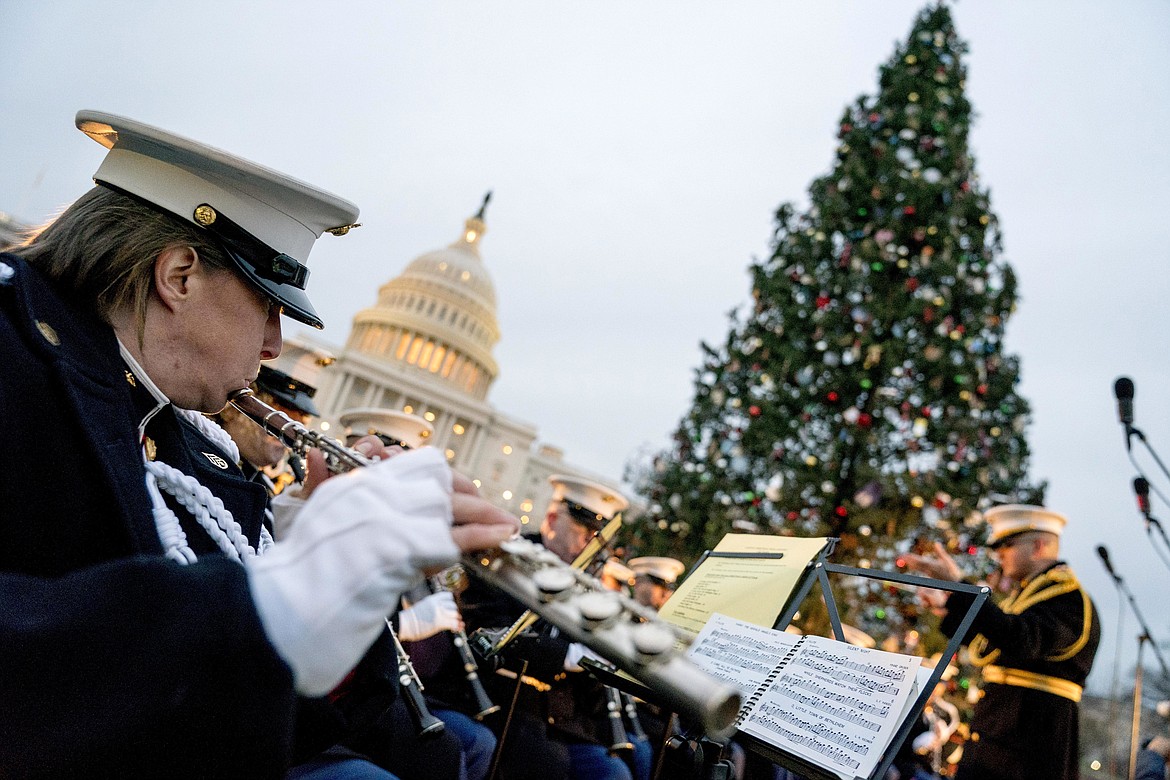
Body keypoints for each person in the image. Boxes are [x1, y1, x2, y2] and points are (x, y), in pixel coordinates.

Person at [0, 110, 517, 778]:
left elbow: (276, 728)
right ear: (179, 275)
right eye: (268, 307)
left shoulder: (178, 439)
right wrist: (281, 596)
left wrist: (334, 568)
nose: (275, 346)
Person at [460, 475, 641, 780]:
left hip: (562, 721)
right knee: (547, 763)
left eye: (598, 539)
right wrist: (569, 656)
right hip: (505, 703)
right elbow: (486, 630)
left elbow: (590, 694)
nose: (590, 546)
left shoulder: (587, 586)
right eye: (584, 531)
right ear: (553, 519)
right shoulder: (505, 557)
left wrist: (605, 663)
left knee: (615, 773)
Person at [903, 504, 1100, 780]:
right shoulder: (1031, 595)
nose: (999, 554)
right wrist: (949, 606)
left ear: (1038, 546)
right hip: (1002, 735)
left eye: (1007, 545)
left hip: (1029, 745)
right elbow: (994, 641)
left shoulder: (1068, 598)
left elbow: (1020, 638)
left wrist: (962, 586)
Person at [214, 364, 320, 496]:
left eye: (299, 423)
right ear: (239, 406)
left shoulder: (264, 487)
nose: (290, 433)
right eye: (280, 418)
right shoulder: (200, 456)